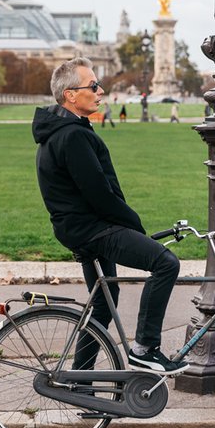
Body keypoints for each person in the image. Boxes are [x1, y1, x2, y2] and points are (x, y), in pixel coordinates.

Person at [32, 57, 186, 374]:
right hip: (93, 229)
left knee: (104, 299)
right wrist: (134, 226)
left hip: (77, 228)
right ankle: (146, 348)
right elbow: (100, 194)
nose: (101, 91)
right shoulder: (73, 136)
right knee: (165, 263)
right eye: (93, 85)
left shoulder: (60, 131)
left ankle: (81, 378)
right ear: (70, 95)